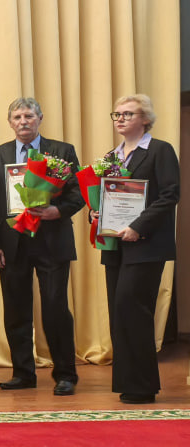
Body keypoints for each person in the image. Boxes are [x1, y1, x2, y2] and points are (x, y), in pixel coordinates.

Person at [0, 97, 82, 396]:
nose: (23, 121)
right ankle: (23, 373)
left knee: (55, 307)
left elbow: (77, 193)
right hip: (12, 244)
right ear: (9, 122)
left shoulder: (62, 151)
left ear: (40, 118)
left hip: (52, 241)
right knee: (16, 310)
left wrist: (57, 211)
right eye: (17, 117)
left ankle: (65, 374)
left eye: (28, 116)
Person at [91, 95, 179, 404]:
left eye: (128, 114)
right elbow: (107, 195)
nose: (120, 118)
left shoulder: (160, 150)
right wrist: (96, 213)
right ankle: (128, 383)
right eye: (116, 114)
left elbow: (170, 195)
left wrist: (138, 226)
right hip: (115, 246)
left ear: (145, 119)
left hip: (146, 245)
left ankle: (143, 385)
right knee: (119, 313)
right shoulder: (111, 156)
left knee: (134, 310)